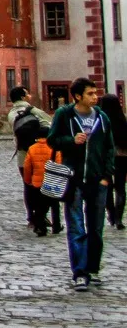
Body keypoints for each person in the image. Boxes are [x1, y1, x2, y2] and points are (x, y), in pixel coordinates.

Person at [47, 76, 117, 291]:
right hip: (73, 178)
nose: (95, 97)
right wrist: (71, 140)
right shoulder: (65, 115)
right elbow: (52, 140)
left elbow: (109, 147)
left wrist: (107, 175)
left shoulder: (102, 117)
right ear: (78, 96)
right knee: (76, 226)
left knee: (96, 228)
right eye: (90, 93)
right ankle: (79, 272)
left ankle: (92, 268)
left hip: (97, 179)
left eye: (95, 93)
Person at [8, 86, 54, 228]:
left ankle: (31, 217)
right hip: (39, 153)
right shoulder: (33, 110)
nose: (30, 96)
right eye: (28, 94)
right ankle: (41, 215)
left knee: (28, 185)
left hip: (23, 154)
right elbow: (50, 124)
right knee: (42, 185)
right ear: (23, 97)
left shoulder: (11, 114)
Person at [22, 121, 58, 237]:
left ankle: (40, 227)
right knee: (50, 204)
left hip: (37, 182)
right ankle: (55, 226)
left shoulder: (32, 148)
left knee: (38, 205)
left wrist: (28, 180)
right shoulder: (54, 148)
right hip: (51, 182)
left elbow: (27, 167)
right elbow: (59, 164)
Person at [97, 93, 127, 230]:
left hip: (104, 158)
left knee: (107, 187)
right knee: (120, 188)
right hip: (121, 156)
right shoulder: (122, 119)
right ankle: (118, 218)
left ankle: (111, 215)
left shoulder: (100, 120)